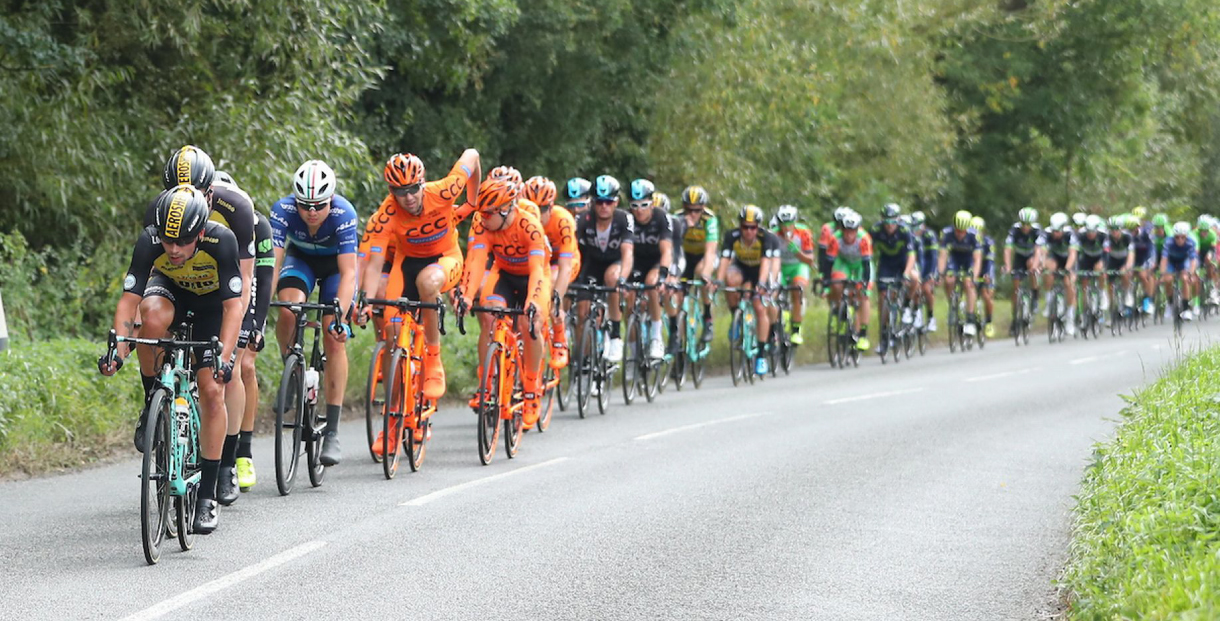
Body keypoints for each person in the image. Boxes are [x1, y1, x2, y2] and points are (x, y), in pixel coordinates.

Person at [101, 184, 241, 534]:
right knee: (149, 318)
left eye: (182, 241)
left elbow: (233, 308)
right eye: (168, 240)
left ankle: (207, 494)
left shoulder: (221, 241)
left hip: (212, 306)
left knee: (211, 391)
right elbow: (128, 301)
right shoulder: (150, 241)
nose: (174, 249)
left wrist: (224, 358)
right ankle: (154, 400)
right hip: (172, 294)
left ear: (200, 232)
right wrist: (116, 352)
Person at [269, 160, 359, 466]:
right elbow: (274, 263)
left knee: (334, 336)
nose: (311, 212)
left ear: (330, 200)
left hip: (336, 267)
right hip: (302, 261)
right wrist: (258, 306)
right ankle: (292, 372)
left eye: (319, 205)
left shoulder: (343, 214)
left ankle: (332, 431)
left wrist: (341, 316)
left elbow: (349, 274)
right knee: (288, 309)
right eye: (305, 205)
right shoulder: (282, 211)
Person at [458, 177, 551, 426]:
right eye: (481, 213)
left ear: (506, 209)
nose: (483, 219)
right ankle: (489, 381)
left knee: (529, 325)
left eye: (488, 214)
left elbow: (537, 271)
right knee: (490, 313)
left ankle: (531, 388)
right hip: (505, 276)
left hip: (533, 277)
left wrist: (532, 302)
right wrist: (467, 296)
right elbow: (476, 262)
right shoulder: (484, 226)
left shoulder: (529, 226)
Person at [714, 204, 783, 374]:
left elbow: (768, 263)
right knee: (730, 281)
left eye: (752, 227)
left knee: (760, 307)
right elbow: (724, 260)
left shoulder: (766, 237)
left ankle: (760, 355)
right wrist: (718, 281)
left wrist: (762, 284)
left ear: (758, 227)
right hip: (743, 268)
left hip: (762, 270)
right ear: (740, 226)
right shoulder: (732, 236)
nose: (748, 231)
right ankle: (736, 317)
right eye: (745, 227)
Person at [574, 175, 634, 362]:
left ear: (616, 202)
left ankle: (615, 334)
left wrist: (623, 279)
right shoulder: (583, 219)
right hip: (591, 265)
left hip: (614, 263)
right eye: (599, 202)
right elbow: (572, 250)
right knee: (583, 312)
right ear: (592, 202)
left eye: (608, 201)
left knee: (612, 278)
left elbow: (628, 253)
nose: (604, 206)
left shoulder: (624, 219)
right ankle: (585, 361)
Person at [525, 176, 577, 367]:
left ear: (552, 206)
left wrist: (556, 297)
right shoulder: (522, 221)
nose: (537, 215)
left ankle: (559, 336)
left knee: (554, 283)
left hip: (562, 262)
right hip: (539, 263)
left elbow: (566, 266)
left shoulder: (563, 220)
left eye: (543, 209)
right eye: (531, 208)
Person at [626, 179, 674, 360]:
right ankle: (632, 354)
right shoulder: (627, 219)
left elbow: (667, 250)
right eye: (634, 205)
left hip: (656, 260)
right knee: (629, 303)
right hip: (635, 262)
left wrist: (663, 275)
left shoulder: (661, 217)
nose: (639, 210)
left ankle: (656, 335)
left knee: (651, 284)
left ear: (652, 204)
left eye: (644, 205)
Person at [869, 203, 918, 352]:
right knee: (883, 298)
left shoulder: (904, 230)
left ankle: (907, 306)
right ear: (882, 220)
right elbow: (868, 251)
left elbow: (911, 256)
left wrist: (906, 274)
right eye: (887, 221)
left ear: (898, 220)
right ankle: (884, 336)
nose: (890, 225)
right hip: (886, 264)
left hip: (903, 263)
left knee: (915, 278)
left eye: (893, 221)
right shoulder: (876, 230)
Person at [674, 185, 719, 343]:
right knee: (677, 294)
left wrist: (706, 274)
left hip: (704, 256)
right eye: (689, 210)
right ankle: (679, 340)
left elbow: (711, 251)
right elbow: (672, 248)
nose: (693, 214)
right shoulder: (677, 218)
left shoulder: (709, 219)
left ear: (703, 208)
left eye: (697, 210)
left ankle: (708, 317)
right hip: (685, 256)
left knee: (701, 274)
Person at [823, 210, 873, 350]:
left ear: (858, 230)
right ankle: (840, 310)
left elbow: (866, 265)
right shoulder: (835, 238)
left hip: (860, 265)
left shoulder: (864, 238)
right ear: (842, 229)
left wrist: (864, 284)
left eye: (852, 231)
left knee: (863, 296)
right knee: (837, 283)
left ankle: (863, 334)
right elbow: (829, 262)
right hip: (843, 262)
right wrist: (827, 283)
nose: (849, 235)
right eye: (846, 231)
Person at [772, 204, 816, 345]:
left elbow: (809, 260)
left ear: (795, 222)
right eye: (783, 224)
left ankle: (796, 330)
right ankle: (777, 325)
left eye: (789, 223)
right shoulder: (773, 234)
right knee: (774, 291)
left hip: (798, 265)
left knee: (797, 289)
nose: (786, 227)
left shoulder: (804, 232)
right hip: (781, 266)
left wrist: (796, 250)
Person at [937, 210, 983, 338]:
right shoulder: (946, 233)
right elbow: (942, 256)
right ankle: (952, 305)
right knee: (949, 280)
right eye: (957, 230)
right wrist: (940, 273)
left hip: (969, 260)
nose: (959, 234)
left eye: (962, 231)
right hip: (955, 259)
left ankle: (970, 319)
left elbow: (977, 259)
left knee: (968, 284)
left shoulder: (974, 235)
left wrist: (974, 276)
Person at [1002, 207, 1044, 336]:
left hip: (1033, 257)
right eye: (1023, 224)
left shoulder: (1037, 230)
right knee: (1016, 287)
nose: (1025, 227)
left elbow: (1038, 251)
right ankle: (1015, 319)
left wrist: (1036, 267)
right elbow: (1008, 249)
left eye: (1028, 224)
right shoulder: (1014, 230)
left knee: (1031, 265)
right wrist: (1007, 266)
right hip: (1019, 257)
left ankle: (1035, 293)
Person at [1041, 212, 1079, 335]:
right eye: (1054, 231)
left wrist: (1067, 269)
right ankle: (1048, 301)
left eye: (1058, 231)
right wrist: (1042, 265)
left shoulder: (1070, 234)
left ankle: (1070, 318)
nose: (1055, 233)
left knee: (1069, 284)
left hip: (1069, 260)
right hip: (1055, 258)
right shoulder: (1047, 233)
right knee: (1048, 269)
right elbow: (1042, 252)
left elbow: (1073, 255)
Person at [1160, 221, 1199, 320]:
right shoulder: (1168, 242)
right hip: (1171, 262)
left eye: (1183, 237)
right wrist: (1162, 273)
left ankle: (1186, 309)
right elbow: (1164, 259)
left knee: (1185, 279)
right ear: (1174, 236)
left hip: (1183, 262)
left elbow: (1193, 261)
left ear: (1186, 236)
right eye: (1177, 237)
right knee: (1167, 279)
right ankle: (1170, 304)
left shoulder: (1190, 243)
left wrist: (1191, 273)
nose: (1180, 240)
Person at [911, 211, 939, 331]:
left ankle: (931, 317)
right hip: (917, 262)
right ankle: (916, 312)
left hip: (930, 264)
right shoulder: (911, 235)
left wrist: (931, 274)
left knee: (926, 289)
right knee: (916, 288)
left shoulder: (929, 235)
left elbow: (933, 257)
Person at [1104, 214, 1137, 314]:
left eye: (1116, 229)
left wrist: (1128, 267)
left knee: (1124, 273)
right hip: (1112, 260)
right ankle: (1112, 305)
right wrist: (1104, 268)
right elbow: (1105, 252)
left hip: (1124, 260)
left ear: (1121, 229)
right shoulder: (1107, 237)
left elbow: (1131, 254)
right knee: (1108, 281)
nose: (1114, 231)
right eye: (1112, 229)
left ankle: (1127, 293)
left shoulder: (1127, 237)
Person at [972, 216, 996, 337]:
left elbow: (990, 261)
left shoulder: (988, 242)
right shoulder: (970, 240)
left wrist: (986, 275)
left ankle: (989, 322)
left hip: (986, 268)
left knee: (987, 296)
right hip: (974, 268)